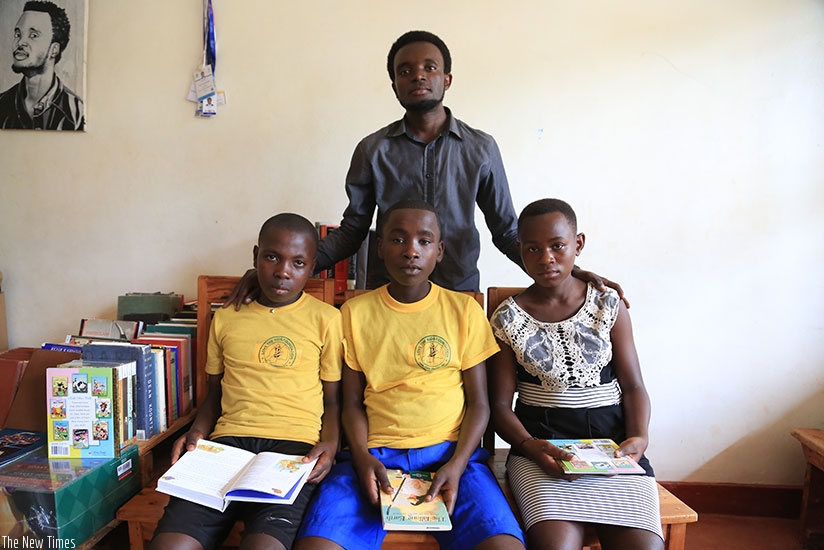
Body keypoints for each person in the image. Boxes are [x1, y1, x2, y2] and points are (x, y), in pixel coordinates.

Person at [224, 30, 625, 307]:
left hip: (458, 293)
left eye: (429, 68)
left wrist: (573, 274)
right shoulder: (373, 149)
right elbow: (352, 231)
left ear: (447, 79)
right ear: (394, 85)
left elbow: (506, 231)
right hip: (387, 295)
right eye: (405, 70)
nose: (418, 74)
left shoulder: (481, 149)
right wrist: (276, 269)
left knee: (459, 398)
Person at [295, 200, 525, 550]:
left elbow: (479, 403)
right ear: (381, 249)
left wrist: (458, 463)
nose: (411, 251)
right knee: (318, 545)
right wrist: (361, 456)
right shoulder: (354, 314)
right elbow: (352, 404)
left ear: (440, 251)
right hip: (374, 457)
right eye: (398, 240)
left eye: (424, 241)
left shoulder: (463, 310)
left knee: (504, 545)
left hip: (453, 456)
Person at [151, 213, 343, 550]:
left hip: (293, 449)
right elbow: (213, 396)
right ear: (256, 256)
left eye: (298, 263)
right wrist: (196, 432)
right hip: (225, 447)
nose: (283, 271)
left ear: (311, 268)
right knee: (171, 545)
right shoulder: (226, 318)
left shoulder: (326, 319)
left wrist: (329, 445)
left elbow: (332, 401)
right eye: (272, 257)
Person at [488, 198, 663, 550]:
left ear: (578, 244)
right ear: (520, 251)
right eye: (532, 249)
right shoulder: (508, 318)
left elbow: (633, 386)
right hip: (542, 451)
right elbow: (500, 406)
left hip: (613, 451)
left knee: (644, 547)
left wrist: (638, 437)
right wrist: (529, 447)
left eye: (557, 246)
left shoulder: (607, 304)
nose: (546, 258)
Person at [0, 1, 84, 130]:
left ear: (54, 49)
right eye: (18, 34)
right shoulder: (2, 104)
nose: (20, 42)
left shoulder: (77, 113)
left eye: (33, 35)